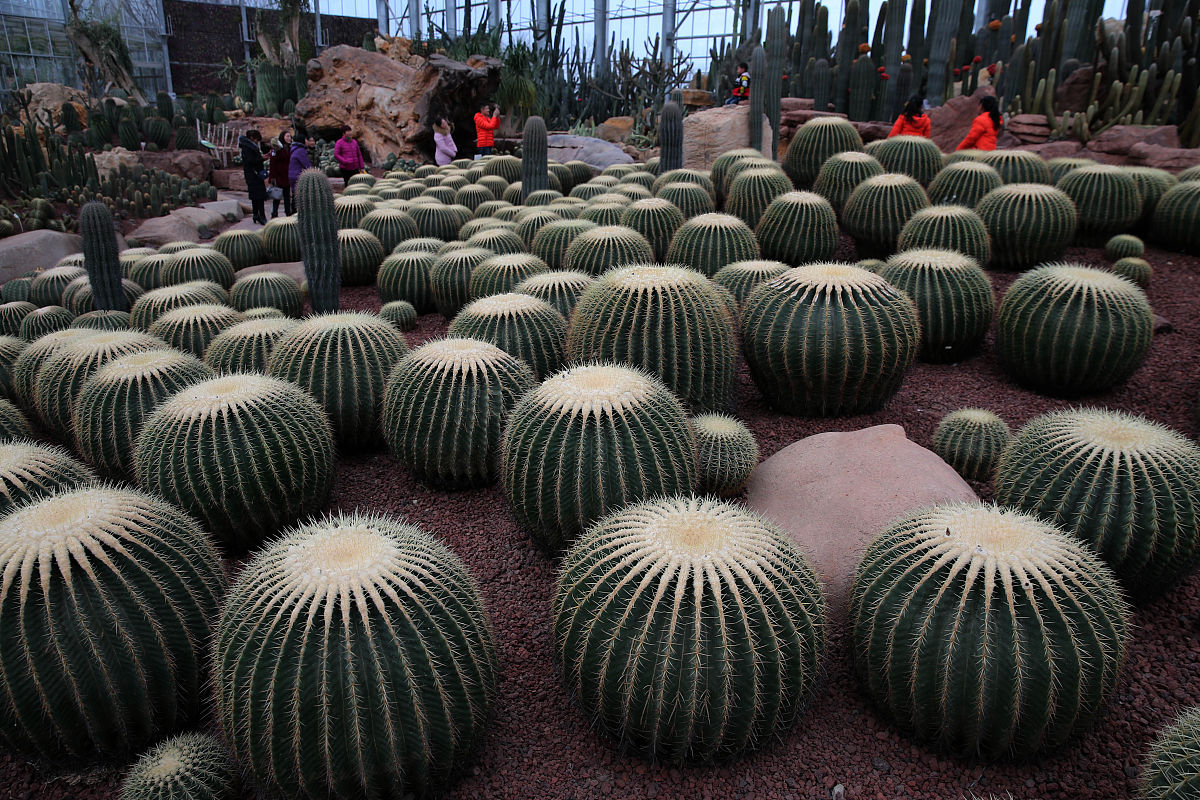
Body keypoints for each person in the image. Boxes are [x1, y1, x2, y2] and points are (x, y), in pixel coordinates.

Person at [240, 128, 267, 225]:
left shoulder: (247, 147)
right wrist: (262, 158)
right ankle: (261, 216)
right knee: (259, 196)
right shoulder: (248, 148)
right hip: (254, 175)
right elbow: (251, 161)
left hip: (252, 175)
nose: (256, 142)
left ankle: (256, 215)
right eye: (256, 140)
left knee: (255, 196)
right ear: (251, 138)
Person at [268, 131, 293, 217]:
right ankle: (274, 213)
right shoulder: (277, 149)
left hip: (286, 175)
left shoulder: (289, 148)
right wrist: (272, 177)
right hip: (278, 176)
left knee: (287, 196)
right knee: (277, 195)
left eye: (290, 136)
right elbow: (272, 164)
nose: (289, 138)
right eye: (287, 136)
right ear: (283, 137)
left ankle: (288, 212)